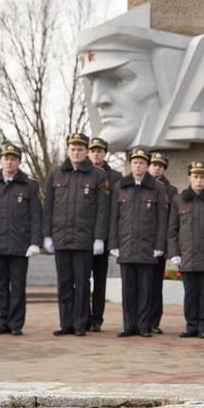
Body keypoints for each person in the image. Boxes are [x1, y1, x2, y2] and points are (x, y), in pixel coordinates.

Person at [43, 132, 109, 336]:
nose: (76, 152)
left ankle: (80, 324)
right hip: (61, 238)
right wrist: (47, 235)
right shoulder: (56, 173)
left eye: (80, 149)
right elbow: (49, 207)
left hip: (84, 239)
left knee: (82, 283)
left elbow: (101, 209)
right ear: (67, 151)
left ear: (87, 151)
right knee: (64, 283)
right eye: (73, 149)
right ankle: (66, 323)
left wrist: (99, 237)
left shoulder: (97, 175)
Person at [0, 144, 43, 336]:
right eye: (6, 158)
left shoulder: (29, 185)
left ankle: (16, 324)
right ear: (0, 160)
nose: (9, 161)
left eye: (13, 158)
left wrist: (34, 242)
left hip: (19, 246)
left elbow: (36, 216)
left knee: (18, 287)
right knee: (0, 287)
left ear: (19, 162)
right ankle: (2, 321)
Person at [109, 144, 167, 337]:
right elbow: (114, 218)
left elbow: (162, 220)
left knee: (145, 290)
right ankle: (128, 325)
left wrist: (159, 246)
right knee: (128, 291)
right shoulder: (120, 187)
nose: (138, 166)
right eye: (135, 162)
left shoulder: (157, 188)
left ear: (147, 165)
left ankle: (143, 326)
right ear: (130, 164)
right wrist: (113, 244)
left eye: (142, 163)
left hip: (147, 248)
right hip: (126, 247)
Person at [167, 161, 204, 338]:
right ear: (189, 178)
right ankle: (191, 325)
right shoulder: (179, 200)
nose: (199, 180)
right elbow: (172, 230)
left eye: (202, 177)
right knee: (190, 294)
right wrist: (174, 253)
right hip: (187, 257)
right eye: (195, 177)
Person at [86, 137, 124, 332]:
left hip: (105, 235)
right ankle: (83, 316)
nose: (95, 154)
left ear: (105, 153)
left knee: (99, 281)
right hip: (84, 235)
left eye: (99, 151)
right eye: (92, 150)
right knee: (83, 280)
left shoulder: (116, 177)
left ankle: (96, 319)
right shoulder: (83, 174)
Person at [147, 151, 176, 334]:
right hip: (142, 244)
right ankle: (141, 320)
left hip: (160, 245)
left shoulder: (170, 190)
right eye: (154, 164)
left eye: (160, 166)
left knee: (156, 286)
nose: (156, 168)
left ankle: (154, 321)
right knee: (143, 285)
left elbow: (172, 221)